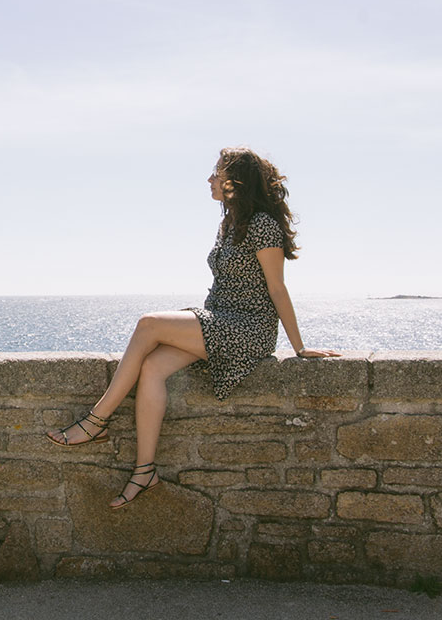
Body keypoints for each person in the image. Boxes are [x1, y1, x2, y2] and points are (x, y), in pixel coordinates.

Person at [46, 146, 339, 509]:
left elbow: (277, 288)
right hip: (218, 320)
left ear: (237, 182)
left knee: (148, 324)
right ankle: (144, 471)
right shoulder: (230, 221)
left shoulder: (263, 224)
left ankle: (96, 420)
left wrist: (299, 347)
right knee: (152, 368)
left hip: (248, 328)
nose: (210, 180)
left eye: (217, 174)